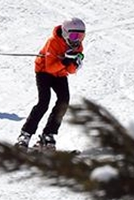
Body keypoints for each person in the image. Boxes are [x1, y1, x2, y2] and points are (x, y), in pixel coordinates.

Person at [16, 18, 86, 152]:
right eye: (73, 35)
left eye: (81, 36)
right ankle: (25, 135)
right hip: (44, 73)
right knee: (43, 102)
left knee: (63, 102)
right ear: (65, 33)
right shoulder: (53, 42)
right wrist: (64, 62)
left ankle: (48, 134)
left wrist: (74, 64)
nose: (77, 39)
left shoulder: (78, 46)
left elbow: (70, 71)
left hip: (60, 74)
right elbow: (50, 68)